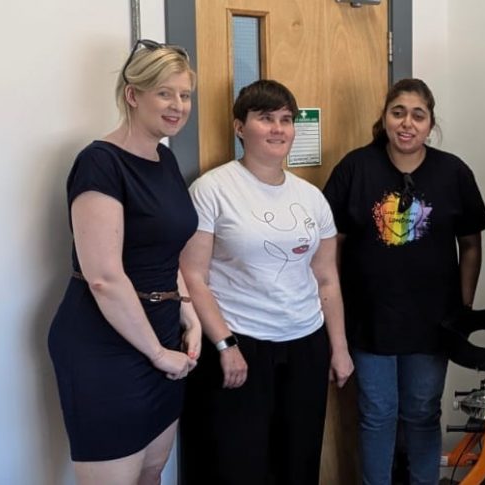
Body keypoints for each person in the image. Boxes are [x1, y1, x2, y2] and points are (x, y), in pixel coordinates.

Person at [180, 79, 355, 485]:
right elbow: (193, 275)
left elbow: (327, 278)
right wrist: (224, 344)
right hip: (241, 343)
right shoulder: (212, 189)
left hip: (305, 343)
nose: (278, 129)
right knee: (239, 464)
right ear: (240, 127)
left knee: (299, 461)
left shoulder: (311, 197)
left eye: (286, 119)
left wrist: (339, 348)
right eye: (265, 119)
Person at [47, 39, 199, 485]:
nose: (177, 106)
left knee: (151, 473)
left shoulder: (164, 158)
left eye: (185, 94)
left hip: (163, 330)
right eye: (164, 93)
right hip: (106, 344)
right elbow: (104, 278)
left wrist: (185, 308)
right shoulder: (100, 163)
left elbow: (163, 246)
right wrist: (157, 353)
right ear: (133, 95)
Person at [324, 78, 485, 485]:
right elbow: (332, 245)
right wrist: (337, 307)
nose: (407, 123)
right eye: (398, 112)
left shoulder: (453, 172)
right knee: (377, 413)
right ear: (384, 118)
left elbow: (471, 244)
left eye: (418, 115)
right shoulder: (355, 168)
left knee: (422, 412)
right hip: (369, 319)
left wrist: (462, 308)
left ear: (430, 124)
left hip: (433, 323)